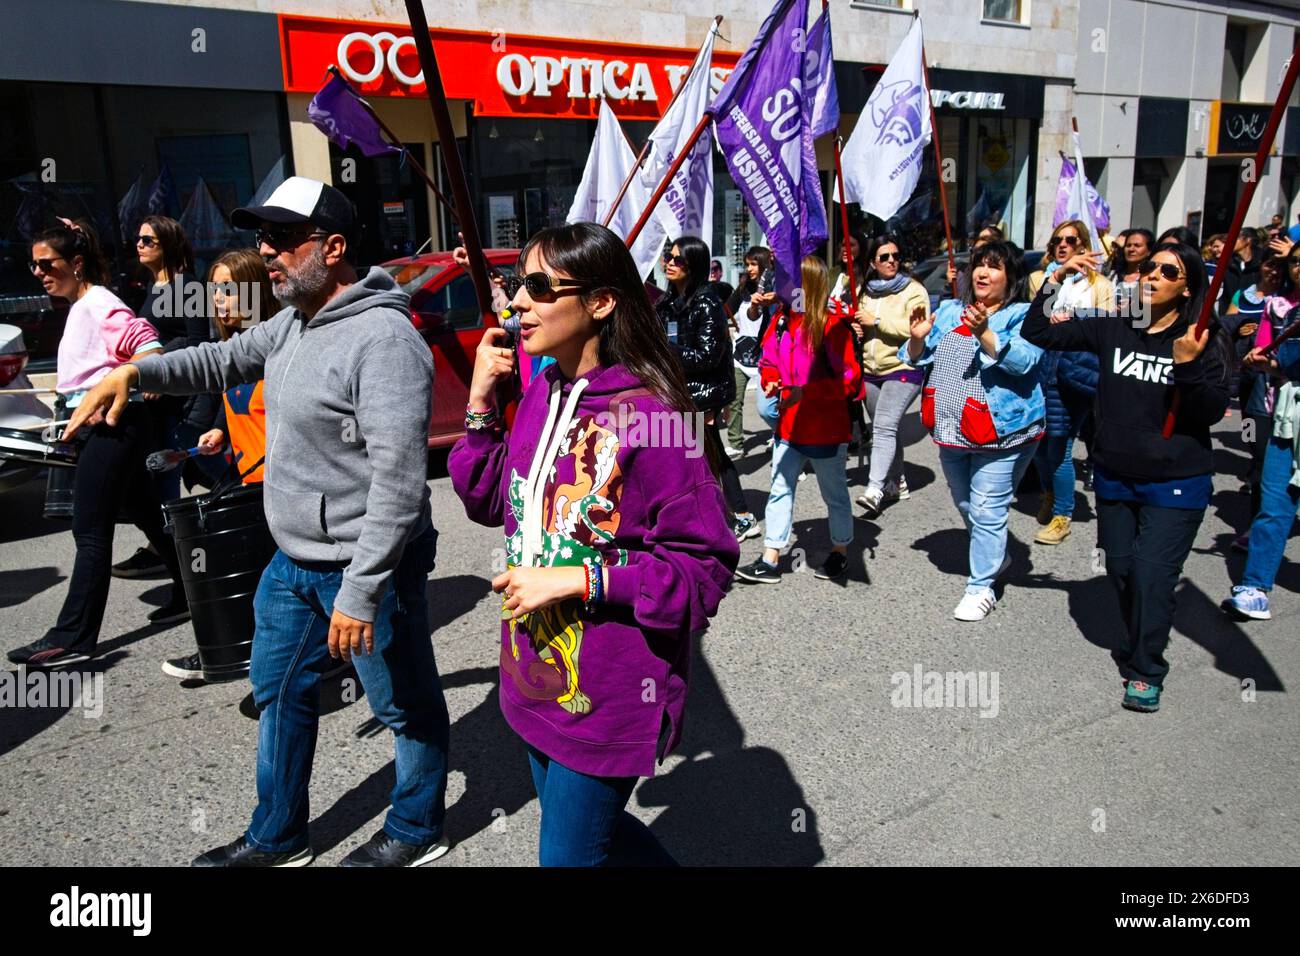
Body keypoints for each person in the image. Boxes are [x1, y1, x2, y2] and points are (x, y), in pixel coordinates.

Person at [66, 177, 452, 867]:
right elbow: (220, 358)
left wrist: (363, 592)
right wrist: (137, 374)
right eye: (261, 238)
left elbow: (398, 485)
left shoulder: (385, 341)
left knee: (404, 706)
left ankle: (417, 829)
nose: (266, 252)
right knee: (278, 696)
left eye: (282, 239)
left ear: (333, 248)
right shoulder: (292, 320)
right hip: (293, 563)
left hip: (366, 566)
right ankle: (279, 838)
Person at [448, 222, 738, 866]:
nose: (517, 302)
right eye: (518, 286)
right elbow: (492, 501)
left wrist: (584, 580)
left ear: (601, 302)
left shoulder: (656, 419)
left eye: (538, 288)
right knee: (589, 838)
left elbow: (706, 569)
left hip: (611, 692)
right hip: (533, 676)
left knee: (568, 858)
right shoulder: (543, 391)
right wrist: (478, 403)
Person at [1023, 243, 1231, 713]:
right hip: (1115, 474)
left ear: (1186, 288)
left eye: (1167, 271)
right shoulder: (1116, 325)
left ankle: (1146, 668)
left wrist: (1188, 366)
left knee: (1153, 576)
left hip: (1176, 482)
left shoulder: (1201, 336)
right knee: (1120, 569)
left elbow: (1212, 412)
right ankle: (1139, 634)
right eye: (1148, 267)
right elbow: (1038, 331)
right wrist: (1056, 277)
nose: (1152, 274)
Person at [6, 219, 185, 668]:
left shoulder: (101, 302)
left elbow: (149, 346)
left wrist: (130, 382)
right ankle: (192, 591)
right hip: (107, 426)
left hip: (114, 426)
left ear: (77, 263)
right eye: (33, 265)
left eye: (47, 263)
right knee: (146, 511)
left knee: (90, 530)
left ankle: (72, 638)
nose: (38, 272)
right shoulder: (82, 305)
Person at [904, 241, 1045, 622]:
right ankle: (995, 551)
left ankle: (980, 586)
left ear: (1011, 277)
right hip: (951, 428)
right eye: (979, 265)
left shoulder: (1026, 314)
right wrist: (917, 336)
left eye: (994, 267)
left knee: (986, 509)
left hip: (1002, 432)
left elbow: (1025, 363)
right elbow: (917, 357)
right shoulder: (950, 309)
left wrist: (985, 332)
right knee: (967, 504)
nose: (982, 273)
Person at [159, 248, 276, 683]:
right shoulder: (229, 349)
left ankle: (241, 657)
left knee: (265, 585)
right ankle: (235, 654)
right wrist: (222, 433)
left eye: (229, 289)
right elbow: (244, 408)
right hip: (249, 484)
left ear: (254, 290)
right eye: (215, 290)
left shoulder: (276, 343)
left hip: (279, 488)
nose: (220, 299)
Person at [735, 255, 860, 584]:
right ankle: (771, 557)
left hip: (826, 428)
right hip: (789, 426)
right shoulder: (780, 321)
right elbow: (767, 361)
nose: (785, 287)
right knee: (779, 487)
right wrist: (771, 380)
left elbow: (851, 379)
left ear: (811, 285)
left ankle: (841, 551)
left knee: (834, 494)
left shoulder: (833, 327)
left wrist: (807, 392)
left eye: (792, 282)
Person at [112, 215, 216, 584]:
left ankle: (180, 554)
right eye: (137, 240)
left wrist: (161, 366)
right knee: (179, 471)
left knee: (189, 469)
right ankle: (173, 548)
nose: (139, 246)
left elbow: (198, 341)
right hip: (159, 399)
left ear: (168, 244)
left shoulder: (185, 285)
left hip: (181, 399)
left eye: (148, 240)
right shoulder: (151, 287)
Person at [656, 235, 755, 539]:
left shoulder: (707, 301)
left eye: (678, 259)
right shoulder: (669, 301)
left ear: (694, 264)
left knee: (708, 455)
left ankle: (739, 516)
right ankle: (717, 514)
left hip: (703, 394)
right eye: (668, 258)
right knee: (696, 456)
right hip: (678, 390)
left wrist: (665, 351)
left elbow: (708, 355)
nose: (670, 263)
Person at [1025, 220, 1113, 545]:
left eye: (1070, 239)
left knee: (1060, 445)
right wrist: (1057, 280)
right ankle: (1048, 491)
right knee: (1036, 441)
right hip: (1040, 369)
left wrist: (1075, 320)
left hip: (1072, 372)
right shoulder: (1040, 278)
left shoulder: (1099, 285)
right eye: (1057, 239)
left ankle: (1063, 515)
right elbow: (1033, 320)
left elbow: (1107, 327)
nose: (1063, 244)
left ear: (1082, 244)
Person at [1221, 332, 1300, 620]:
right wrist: (1268, 366)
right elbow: (1290, 366)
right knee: (1274, 505)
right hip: (1288, 420)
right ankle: (1255, 589)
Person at [851, 234, 928, 518]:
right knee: (887, 428)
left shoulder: (914, 290)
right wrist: (858, 328)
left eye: (895, 255)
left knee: (882, 426)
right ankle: (898, 480)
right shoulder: (865, 291)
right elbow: (860, 325)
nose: (891, 261)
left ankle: (875, 488)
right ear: (873, 262)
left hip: (904, 368)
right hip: (871, 371)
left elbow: (917, 330)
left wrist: (878, 322)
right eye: (884, 257)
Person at [1228, 254, 1300, 549]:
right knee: (1259, 454)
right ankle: (1256, 526)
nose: (1298, 266)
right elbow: (1262, 348)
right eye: (1294, 261)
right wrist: (1258, 356)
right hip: (1265, 395)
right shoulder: (1275, 304)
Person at [722, 246, 774, 458]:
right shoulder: (743, 287)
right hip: (741, 353)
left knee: (768, 405)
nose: (749, 268)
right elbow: (725, 310)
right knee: (734, 399)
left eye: (753, 263)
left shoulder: (774, 288)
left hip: (764, 354)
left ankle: (780, 436)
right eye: (747, 264)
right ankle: (736, 443)